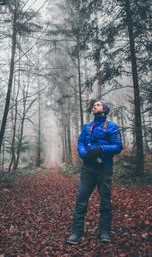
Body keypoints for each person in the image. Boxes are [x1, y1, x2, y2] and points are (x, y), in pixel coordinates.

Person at [66, 100, 123, 245]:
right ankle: (76, 233)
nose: (95, 106)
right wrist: (85, 154)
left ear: (105, 109)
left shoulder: (112, 127)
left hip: (105, 168)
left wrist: (101, 149)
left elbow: (118, 146)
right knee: (80, 200)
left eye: (98, 105)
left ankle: (104, 233)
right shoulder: (87, 127)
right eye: (94, 105)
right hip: (88, 169)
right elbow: (80, 143)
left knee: (105, 201)